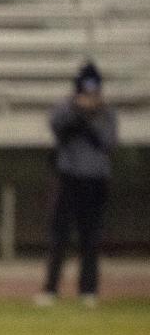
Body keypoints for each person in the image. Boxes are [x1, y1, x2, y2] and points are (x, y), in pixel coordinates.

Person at [36, 61, 117, 308]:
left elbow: (107, 142)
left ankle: (88, 289)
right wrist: (78, 112)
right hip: (67, 178)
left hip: (95, 181)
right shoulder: (65, 108)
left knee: (91, 237)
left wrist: (90, 118)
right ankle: (51, 288)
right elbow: (58, 129)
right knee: (59, 236)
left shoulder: (106, 113)